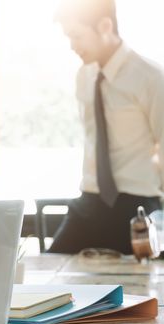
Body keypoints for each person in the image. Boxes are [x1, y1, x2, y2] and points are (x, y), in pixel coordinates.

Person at [48, 0, 164, 254]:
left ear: (105, 26)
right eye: (69, 37)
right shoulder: (84, 76)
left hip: (135, 204)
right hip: (88, 200)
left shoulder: (151, 78)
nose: (72, 46)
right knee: (48, 273)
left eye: (77, 36)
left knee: (137, 287)